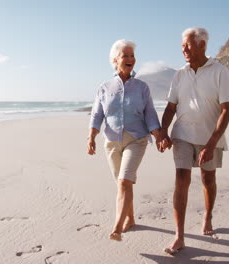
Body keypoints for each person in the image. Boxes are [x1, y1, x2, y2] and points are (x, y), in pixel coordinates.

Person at [160, 27, 229, 254]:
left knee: (207, 179)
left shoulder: (219, 71)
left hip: (209, 137)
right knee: (181, 178)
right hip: (182, 134)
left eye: (188, 45)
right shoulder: (179, 74)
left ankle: (208, 215)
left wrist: (212, 143)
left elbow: (226, 110)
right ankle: (179, 236)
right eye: (182, 45)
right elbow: (171, 107)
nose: (183, 49)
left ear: (202, 45)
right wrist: (163, 132)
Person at [87, 39, 164, 241]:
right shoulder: (104, 87)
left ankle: (117, 227)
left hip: (136, 139)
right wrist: (91, 136)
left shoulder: (142, 87)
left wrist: (158, 136)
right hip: (111, 141)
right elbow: (97, 114)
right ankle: (130, 218)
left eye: (132, 56)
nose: (130, 59)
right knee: (123, 183)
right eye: (125, 56)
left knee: (124, 181)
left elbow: (150, 114)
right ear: (115, 60)